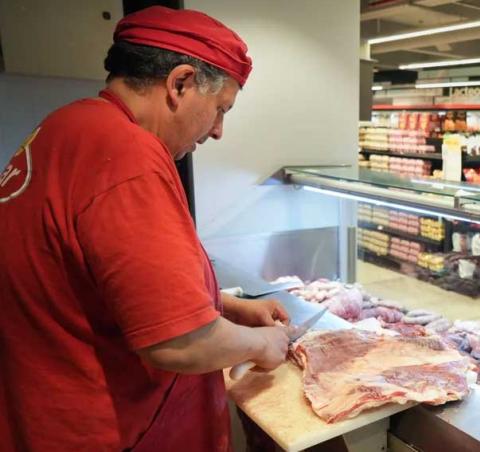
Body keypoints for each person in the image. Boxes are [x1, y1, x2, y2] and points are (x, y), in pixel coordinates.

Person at [0, 6, 292, 451]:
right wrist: (261, 344)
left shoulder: (69, 126)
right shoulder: (128, 157)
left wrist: (225, 306)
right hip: (110, 431)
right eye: (219, 109)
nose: (217, 131)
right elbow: (179, 343)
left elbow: (107, 283)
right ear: (180, 84)